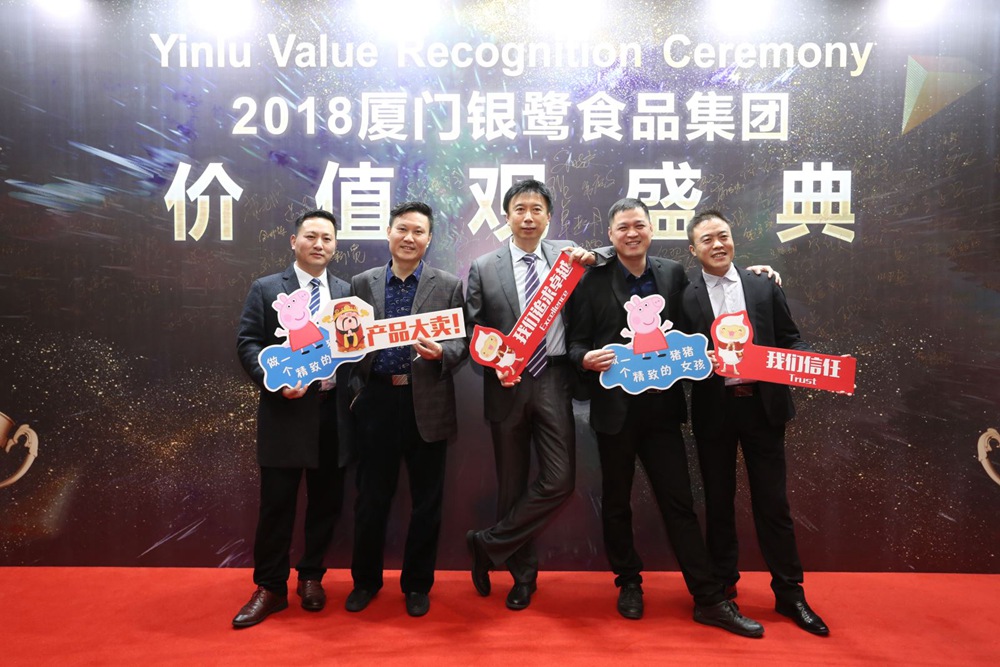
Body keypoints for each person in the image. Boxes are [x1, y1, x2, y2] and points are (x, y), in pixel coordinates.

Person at [566, 198, 764, 637]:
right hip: (615, 413)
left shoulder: (672, 273)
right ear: (610, 235)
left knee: (679, 503)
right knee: (616, 503)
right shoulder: (591, 279)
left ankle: (708, 599)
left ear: (651, 229)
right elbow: (575, 343)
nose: (632, 233)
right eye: (622, 228)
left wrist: (756, 277)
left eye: (639, 225)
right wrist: (585, 359)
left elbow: (703, 314)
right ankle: (628, 582)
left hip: (662, 412)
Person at [681, 209, 829, 636]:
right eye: (707, 240)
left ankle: (790, 593)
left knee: (773, 503)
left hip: (763, 409)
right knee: (719, 502)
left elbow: (790, 339)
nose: (717, 244)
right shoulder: (685, 296)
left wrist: (812, 365)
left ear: (733, 238)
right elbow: (675, 354)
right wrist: (699, 360)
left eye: (723, 236)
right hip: (715, 409)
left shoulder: (763, 284)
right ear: (693, 249)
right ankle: (722, 588)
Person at [464, 179, 605, 610]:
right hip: (506, 383)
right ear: (506, 216)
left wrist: (597, 255)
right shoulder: (483, 267)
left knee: (560, 480)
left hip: (554, 378)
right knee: (511, 484)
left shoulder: (568, 256)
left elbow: (615, 254)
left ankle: (487, 544)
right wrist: (495, 362)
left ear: (548, 216)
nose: (528, 217)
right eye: (520, 209)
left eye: (537, 209)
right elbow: (473, 329)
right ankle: (522, 578)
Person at [342, 201, 467, 618]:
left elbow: (462, 341)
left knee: (427, 502)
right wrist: (359, 381)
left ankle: (417, 585)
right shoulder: (362, 282)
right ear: (389, 233)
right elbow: (347, 340)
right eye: (402, 229)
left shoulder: (447, 284)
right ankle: (365, 582)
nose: (409, 238)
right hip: (376, 401)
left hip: (427, 402)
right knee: (370, 499)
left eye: (418, 231)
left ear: (429, 239)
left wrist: (443, 353)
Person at [233, 209, 350, 628]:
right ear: (294, 241)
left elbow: (357, 348)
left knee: (325, 504)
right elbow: (248, 343)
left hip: (333, 414)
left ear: (335, 246)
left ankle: (311, 577)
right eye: (311, 236)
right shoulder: (267, 288)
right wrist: (274, 381)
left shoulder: (348, 292)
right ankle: (270, 587)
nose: (319, 244)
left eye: (327, 238)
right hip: (285, 411)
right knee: (277, 506)